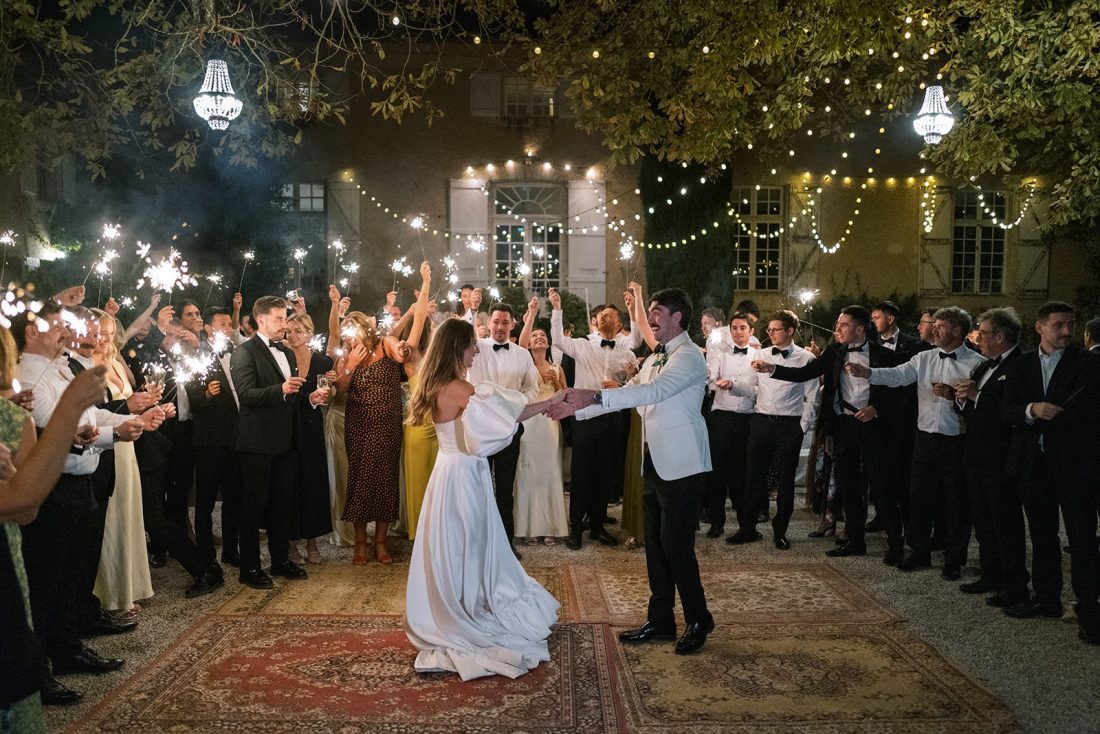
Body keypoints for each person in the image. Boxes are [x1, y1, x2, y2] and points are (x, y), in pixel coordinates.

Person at [553, 287, 715, 655]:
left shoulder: (689, 357)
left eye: (656, 312)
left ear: (677, 317)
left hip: (684, 465)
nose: (650, 318)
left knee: (677, 546)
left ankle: (698, 618)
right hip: (654, 461)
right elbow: (629, 392)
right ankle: (660, 620)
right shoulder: (657, 356)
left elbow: (651, 393)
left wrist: (592, 396)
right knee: (656, 546)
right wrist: (574, 410)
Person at [404, 318, 561, 680]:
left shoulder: (437, 383)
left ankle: (459, 598)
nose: (477, 350)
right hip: (463, 475)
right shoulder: (460, 387)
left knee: (453, 543)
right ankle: (468, 608)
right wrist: (547, 404)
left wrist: (543, 404)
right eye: (472, 345)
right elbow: (509, 414)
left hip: (449, 471)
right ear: (458, 348)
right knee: (470, 542)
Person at [1, 340, 111, 715]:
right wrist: (71, 407)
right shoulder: (30, 383)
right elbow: (24, 499)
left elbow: (23, 505)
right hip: (48, 490)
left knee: (68, 575)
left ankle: (62, 649)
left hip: (53, 493)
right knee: (41, 585)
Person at [754, 306, 903, 561]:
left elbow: (898, 391)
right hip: (843, 425)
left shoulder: (884, 355)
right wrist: (773, 369)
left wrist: (875, 409)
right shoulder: (835, 353)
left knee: (881, 485)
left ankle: (895, 544)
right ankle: (856, 541)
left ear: (860, 328)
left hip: (872, 427)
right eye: (838, 323)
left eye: (844, 324)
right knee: (848, 485)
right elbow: (805, 373)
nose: (838, 328)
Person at [846, 306, 983, 577]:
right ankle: (919, 552)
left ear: (957, 330)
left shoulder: (976, 363)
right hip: (924, 437)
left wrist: (955, 397)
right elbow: (898, 375)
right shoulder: (924, 357)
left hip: (957, 439)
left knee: (956, 501)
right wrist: (869, 373)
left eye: (940, 325)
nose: (934, 329)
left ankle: (954, 559)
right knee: (918, 497)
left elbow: (982, 403)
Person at [1001, 301, 1100, 645]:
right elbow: (1007, 409)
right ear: (1040, 327)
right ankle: (1047, 599)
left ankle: (1090, 610)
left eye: (1071, 324)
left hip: (1075, 466)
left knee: (1082, 539)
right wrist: (1032, 409)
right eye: (1059, 325)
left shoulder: (1088, 363)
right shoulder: (1022, 365)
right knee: (1042, 536)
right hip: (1033, 464)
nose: (1068, 331)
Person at [232, 296, 328, 589]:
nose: (284, 324)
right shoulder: (244, 352)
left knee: (282, 504)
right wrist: (280, 389)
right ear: (260, 319)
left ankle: (279, 560)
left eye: (285, 318)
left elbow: (292, 395)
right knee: (253, 507)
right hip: (256, 442)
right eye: (278, 318)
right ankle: (249, 568)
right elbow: (246, 394)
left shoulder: (285, 354)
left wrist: (310, 398)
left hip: (286, 442)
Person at [550, 288, 637, 549]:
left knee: (604, 474)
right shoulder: (583, 345)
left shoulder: (627, 354)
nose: (603, 318)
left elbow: (636, 383)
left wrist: (622, 385)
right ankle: (576, 528)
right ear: (596, 322)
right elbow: (558, 340)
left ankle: (598, 525)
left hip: (612, 418)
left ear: (619, 324)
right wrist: (557, 309)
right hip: (586, 417)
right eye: (600, 315)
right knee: (580, 474)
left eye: (609, 315)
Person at [953, 307, 1027, 607]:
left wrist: (975, 397)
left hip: (1001, 455)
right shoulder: (984, 366)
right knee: (982, 519)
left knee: (1004, 520)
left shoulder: (1021, 366)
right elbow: (973, 409)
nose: (977, 337)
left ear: (1000, 336)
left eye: (982, 332)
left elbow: (1007, 410)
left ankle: (1015, 584)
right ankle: (991, 574)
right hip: (976, 453)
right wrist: (959, 399)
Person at [731, 310, 818, 550]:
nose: (770, 334)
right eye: (768, 330)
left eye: (775, 329)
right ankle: (747, 528)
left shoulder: (805, 358)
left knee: (785, 480)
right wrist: (732, 387)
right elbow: (751, 387)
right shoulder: (760, 353)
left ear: (790, 331)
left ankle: (780, 531)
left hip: (789, 424)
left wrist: (801, 427)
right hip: (760, 421)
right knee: (753, 477)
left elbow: (812, 398)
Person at [89, 310, 155, 620]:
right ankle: (109, 594)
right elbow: (96, 413)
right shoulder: (88, 368)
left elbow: (126, 403)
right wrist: (128, 408)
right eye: (98, 332)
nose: (103, 338)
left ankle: (130, 587)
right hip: (104, 447)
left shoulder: (116, 362)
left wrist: (147, 409)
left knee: (129, 513)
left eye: (107, 332)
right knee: (110, 517)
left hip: (127, 447)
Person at [337, 301, 408, 565]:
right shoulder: (346, 353)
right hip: (359, 424)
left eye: (353, 331)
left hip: (387, 424)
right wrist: (350, 364)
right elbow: (341, 388)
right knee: (360, 480)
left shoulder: (384, 342)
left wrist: (402, 347)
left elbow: (400, 354)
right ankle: (360, 544)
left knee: (386, 481)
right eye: (347, 334)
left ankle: (381, 542)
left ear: (365, 329)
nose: (351, 337)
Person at [468, 302, 539, 554]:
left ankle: (506, 546)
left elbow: (532, 387)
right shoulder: (476, 349)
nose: (499, 327)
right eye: (496, 321)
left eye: (505, 322)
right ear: (489, 323)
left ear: (512, 325)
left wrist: (518, 404)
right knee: (480, 487)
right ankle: (480, 546)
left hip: (510, 427)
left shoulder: (522, 354)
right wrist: (472, 309)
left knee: (505, 490)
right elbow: (464, 331)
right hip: (480, 430)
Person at [186, 307, 242, 567]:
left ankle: (232, 550)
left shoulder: (239, 354)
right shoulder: (196, 356)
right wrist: (207, 394)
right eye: (222, 324)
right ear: (208, 328)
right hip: (209, 440)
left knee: (234, 499)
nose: (228, 328)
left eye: (230, 323)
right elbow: (194, 401)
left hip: (237, 438)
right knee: (206, 502)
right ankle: (207, 558)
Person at [515, 297, 569, 544]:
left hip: (549, 424)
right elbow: (521, 343)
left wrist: (556, 382)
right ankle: (526, 528)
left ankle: (550, 526)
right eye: (535, 335)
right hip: (528, 422)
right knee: (527, 472)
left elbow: (566, 396)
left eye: (542, 335)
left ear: (548, 342)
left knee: (549, 471)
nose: (539, 338)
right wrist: (531, 314)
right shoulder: (523, 363)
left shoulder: (557, 367)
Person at [284, 313, 334, 564]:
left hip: (312, 426)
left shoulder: (323, 362)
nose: (291, 336)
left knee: (313, 481)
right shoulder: (281, 358)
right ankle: (291, 544)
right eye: (288, 331)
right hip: (285, 426)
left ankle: (312, 542)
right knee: (290, 482)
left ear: (309, 334)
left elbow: (329, 394)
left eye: (297, 331)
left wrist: (329, 390)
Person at [704, 312, 758, 539]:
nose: (737, 332)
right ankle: (716, 522)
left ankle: (746, 525)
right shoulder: (720, 352)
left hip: (746, 419)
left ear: (751, 331)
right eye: (734, 328)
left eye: (742, 328)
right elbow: (708, 379)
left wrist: (733, 385)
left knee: (742, 474)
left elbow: (757, 388)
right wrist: (715, 379)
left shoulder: (760, 355)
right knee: (716, 473)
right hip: (720, 418)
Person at [396, 266, 435, 541]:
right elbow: (419, 318)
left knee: (439, 486)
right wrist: (426, 282)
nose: (428, 329)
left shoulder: (435, 359)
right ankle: (422, 538)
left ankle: (438, 536)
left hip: (443, 427)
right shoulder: (410, 355)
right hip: (420, 426)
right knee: (421, 483)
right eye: (426, 327)